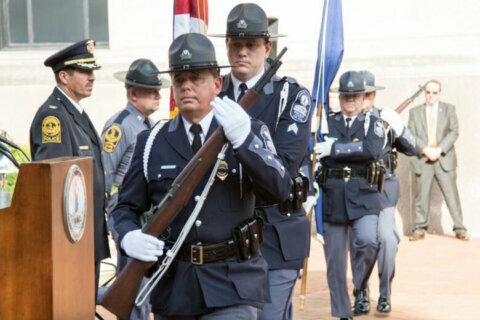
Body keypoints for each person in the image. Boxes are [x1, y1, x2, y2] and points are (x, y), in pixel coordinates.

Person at [112, 33, 293, 319]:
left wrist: (244, 141)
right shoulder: (151, 142)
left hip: (233, 283)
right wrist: (127, 236)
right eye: (179, 80)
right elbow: (125, 208)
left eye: (196, 78)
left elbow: (280, 190)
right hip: (174, 288)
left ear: (217, 84)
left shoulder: (248, 130)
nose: (186, 87)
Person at [213, 3, 312, 319]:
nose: (243, 52)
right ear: (226, 46)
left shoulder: (289, 95)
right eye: (236, 44)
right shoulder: (211, 95)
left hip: (274, 232)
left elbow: (285, 167)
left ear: (267, 47)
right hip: (225, 234)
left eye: (251, 45)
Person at [29, 39, 110, 298]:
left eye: (93, 71)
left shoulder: (74, 112)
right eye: (85, 72)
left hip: (85, 238)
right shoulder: (53, 117)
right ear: (63, 76)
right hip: (71, 243)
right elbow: (53, 184)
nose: (93, 78)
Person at [101, 58, 170, 320]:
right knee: (132, 286)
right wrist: (114, 221)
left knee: (147, 284)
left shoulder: (149, 126)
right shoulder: (120, 126)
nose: (158, 95)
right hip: (126, 211)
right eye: (152, 91)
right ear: (133, 94)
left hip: (146, 212)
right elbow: (105, 175)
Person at [314, 71, 385, 320]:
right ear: (340, 98)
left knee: (368, 241)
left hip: (363, 196)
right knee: (334, 263)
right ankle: (342, 313)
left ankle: (360, 283)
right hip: (332, 197)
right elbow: (315, 152)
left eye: (355, 96)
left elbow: (371, 150)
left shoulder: (372, 123)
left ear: (363, 97)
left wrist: (334, 149)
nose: (351, 101)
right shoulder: (327, 123)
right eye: (346, 96)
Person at [349, 71, 417, 315]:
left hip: (384, 189)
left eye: (366, 95)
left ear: (373, 95)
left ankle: (385, 292)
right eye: (357, 94)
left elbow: (414, 148)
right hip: (355, 191)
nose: (361, 99)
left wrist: (400, 129)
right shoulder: (346, 121)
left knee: (387, 239)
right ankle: (360, 291)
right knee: (363, 242)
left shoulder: (386, 120)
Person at [408, 80, 468, 241]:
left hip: (444, 158)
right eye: (428, 92)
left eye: (434, 92)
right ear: (425, 93)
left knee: (451, 196)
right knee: (421, 196)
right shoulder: (415, 112)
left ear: (439, 93)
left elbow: (454, 132)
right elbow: (411, 134)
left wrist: (439, 149)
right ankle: (420, 228)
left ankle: (460, 228)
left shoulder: (449, 109)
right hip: (424, 158)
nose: (431, 96)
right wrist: (425, 149)